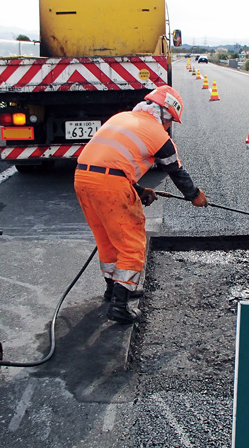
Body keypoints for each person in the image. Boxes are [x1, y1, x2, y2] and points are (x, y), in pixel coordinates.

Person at [74, 85, 208, 324]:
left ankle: (113, 290)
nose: (169, 127)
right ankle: (119, 305)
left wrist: (138, 190)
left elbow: (111, 162)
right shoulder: (158, 134)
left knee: (107, 239)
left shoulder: (122, 117)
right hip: (110, 184)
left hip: (83, 178)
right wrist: (195, 195)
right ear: (166, 115)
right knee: (132, 243)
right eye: (171, 122)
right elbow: (176, 171)